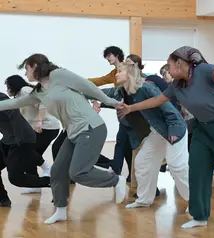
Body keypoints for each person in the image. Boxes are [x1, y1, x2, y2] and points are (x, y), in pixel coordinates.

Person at [117, 46, 214, 229]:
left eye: (169, 65)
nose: (167, 69)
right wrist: (130, 108)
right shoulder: (176, 85)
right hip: (202, 129)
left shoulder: (204, 70)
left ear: (180, 62)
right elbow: (157, 100)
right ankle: (199, 216)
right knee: (197, 170)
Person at [0, 54, 127, 224]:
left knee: (78, 172)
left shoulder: (59, 75)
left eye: (27, 68)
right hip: (72, 132)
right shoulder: (39, 91)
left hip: (91, 127)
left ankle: (116, 180)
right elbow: (15, 103)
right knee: (58, 171)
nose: (25, 73)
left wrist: (111, 102)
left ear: (35, 66)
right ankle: (60, 211)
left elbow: (88, 87)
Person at [98, 62, 189, 208]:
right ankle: (145, 199)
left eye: (119, 71)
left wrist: (173, 135)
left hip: (173, 128)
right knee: (142, 162)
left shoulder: (147, 88)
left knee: (176, 166)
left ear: (129, 74)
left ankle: (193, 201)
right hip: (157, 132)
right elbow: (101, 94)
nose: (116, 74)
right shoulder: (120, 92)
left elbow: (171, 112)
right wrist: (93, 99)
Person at [5, 74, 60, 193]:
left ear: (13, 86)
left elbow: (42, 103)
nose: (7, 89)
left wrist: (39, 121)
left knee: (27, 150)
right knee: (28, 157)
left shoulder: (25, 91)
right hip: (39, 128)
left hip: (47, 127)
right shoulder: (19, 96)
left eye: (8, 86)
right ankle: (35, 184)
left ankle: (47, 168)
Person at [88, 46, 133, 182]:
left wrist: (98, 98)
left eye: (109, 56)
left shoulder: (127, 69)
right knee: (124, 143)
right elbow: (99, 80)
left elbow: (119, 91)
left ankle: (117, 170)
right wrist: (81, 81)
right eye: (106, 56)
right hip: (122, 112)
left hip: (130, 112)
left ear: (117, 55)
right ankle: (123, 171)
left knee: (122, 142)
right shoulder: (114, 73)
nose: (108, 59)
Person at [0, 92, 51, 206]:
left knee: (16, 178)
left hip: (22, 139)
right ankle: (3, 199)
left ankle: (53, 182)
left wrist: (19, 139)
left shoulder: (1, 97)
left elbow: (13, 112)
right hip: (8, 139)